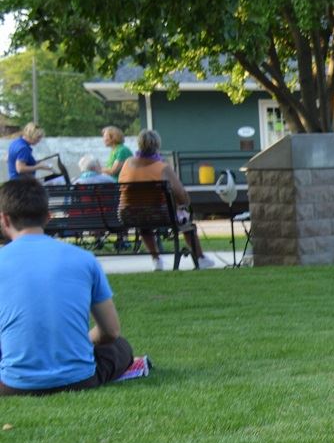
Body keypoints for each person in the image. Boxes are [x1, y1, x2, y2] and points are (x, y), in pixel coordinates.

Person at [0, 179, 140, 396]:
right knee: (120, 347)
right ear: (48, 217)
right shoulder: (84, 259)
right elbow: (110, 332)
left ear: (4, 219)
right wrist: (85, 340)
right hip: (79, 379)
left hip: (13, 383)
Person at [117, 129, 216, 271]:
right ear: (157, 146)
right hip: (159, 214)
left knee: (144, 224)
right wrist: (185, 203)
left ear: (139, 145)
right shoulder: (162, 167)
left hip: (128, 214)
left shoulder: (127, 164)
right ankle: (200, 258)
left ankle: (156, 260)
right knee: (185, 219)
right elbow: (181, 196)